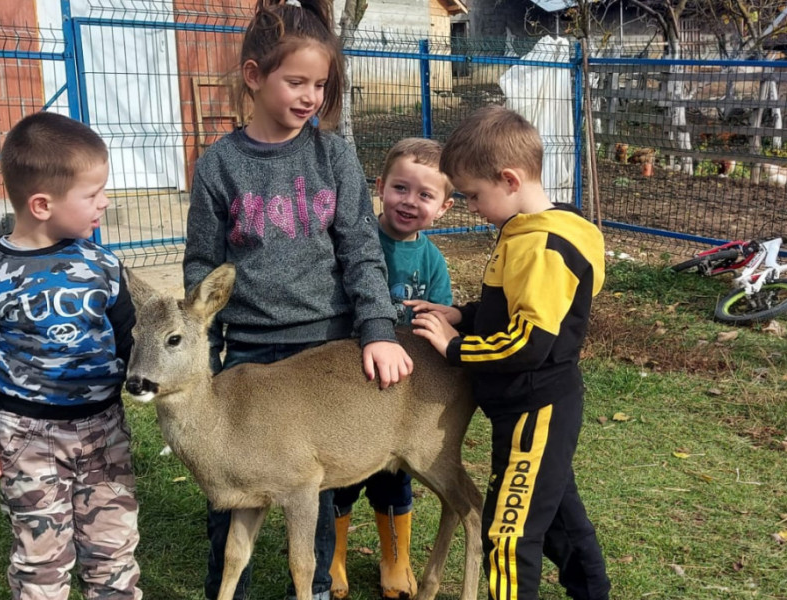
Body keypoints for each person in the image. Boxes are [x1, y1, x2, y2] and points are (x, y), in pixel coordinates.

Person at [181, 0, 414, 599]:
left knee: (310, 493)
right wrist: (198, 352)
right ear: (255, 76)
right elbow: (203, 264)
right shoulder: (218, 165)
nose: (311, 96)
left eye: (321, 84)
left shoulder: (332, 155)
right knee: (227, 495)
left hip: (324, 347)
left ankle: (307, 591)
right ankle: (225, 589)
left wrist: (379, 330)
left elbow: (362, 249)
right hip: (250, 353)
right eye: (297, 82)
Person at [408, 105, 612, 600]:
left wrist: (457, 348)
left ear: (509, 178)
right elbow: (515, 307)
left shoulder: (544, 246)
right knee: (563, 524)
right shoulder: (528, 230)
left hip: (534, 410)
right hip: (528, 408)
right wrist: (465, 314)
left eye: (476, 195)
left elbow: (529, 341)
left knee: (506, 537)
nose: (474, 207)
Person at [0, 111, 141, 600]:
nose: (105, 204)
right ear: (41, 204)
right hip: (26, 438)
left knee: (113, 551)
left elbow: (130, 340)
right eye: (92, 195)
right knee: (40, 562)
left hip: (104, 432)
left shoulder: (103, 267)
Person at [328, 137, 454, 600]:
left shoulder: (432, 260)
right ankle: (334, 558)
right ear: (380, 186)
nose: (410, 202)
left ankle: (395, 556)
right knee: (341, 476)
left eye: (426, 195)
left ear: (443, 206)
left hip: (402, 394)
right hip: (349, 383)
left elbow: (439, 318)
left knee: (395, 476)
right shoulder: (354, 242)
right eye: (401, 188)